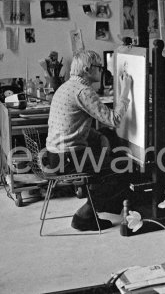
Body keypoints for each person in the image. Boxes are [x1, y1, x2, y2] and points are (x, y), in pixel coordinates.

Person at [45, 50, 133, 231]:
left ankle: (100, 206)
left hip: (55, 156)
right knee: (122, 165)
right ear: (87, 69)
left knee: (109, 152)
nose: (103, 71)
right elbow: (113, 120)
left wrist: (99, 136)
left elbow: (72, 126)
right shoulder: (84, 91)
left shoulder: (65, 87)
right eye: (99, 67)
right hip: (68, 157)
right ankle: (84, 216)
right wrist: (126, 89)